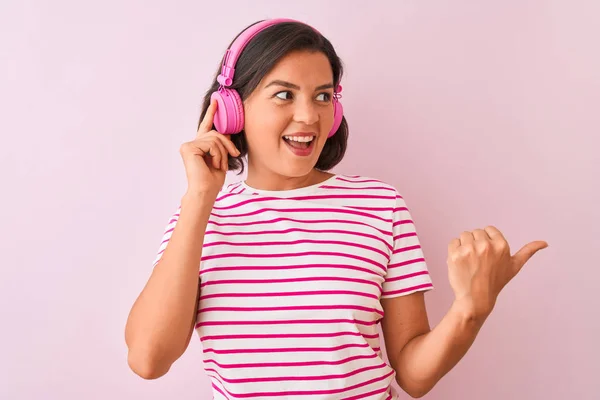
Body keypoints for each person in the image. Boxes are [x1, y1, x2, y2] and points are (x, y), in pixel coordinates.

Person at [124, 18, 548, 399]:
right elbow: (148, 360)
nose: (308, 116)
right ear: (233, 110)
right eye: (284, 95)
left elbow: (415, 377)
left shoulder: (380, 206)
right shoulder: (199, 220)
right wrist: (200, 199)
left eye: (322, 96)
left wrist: (471, 309)